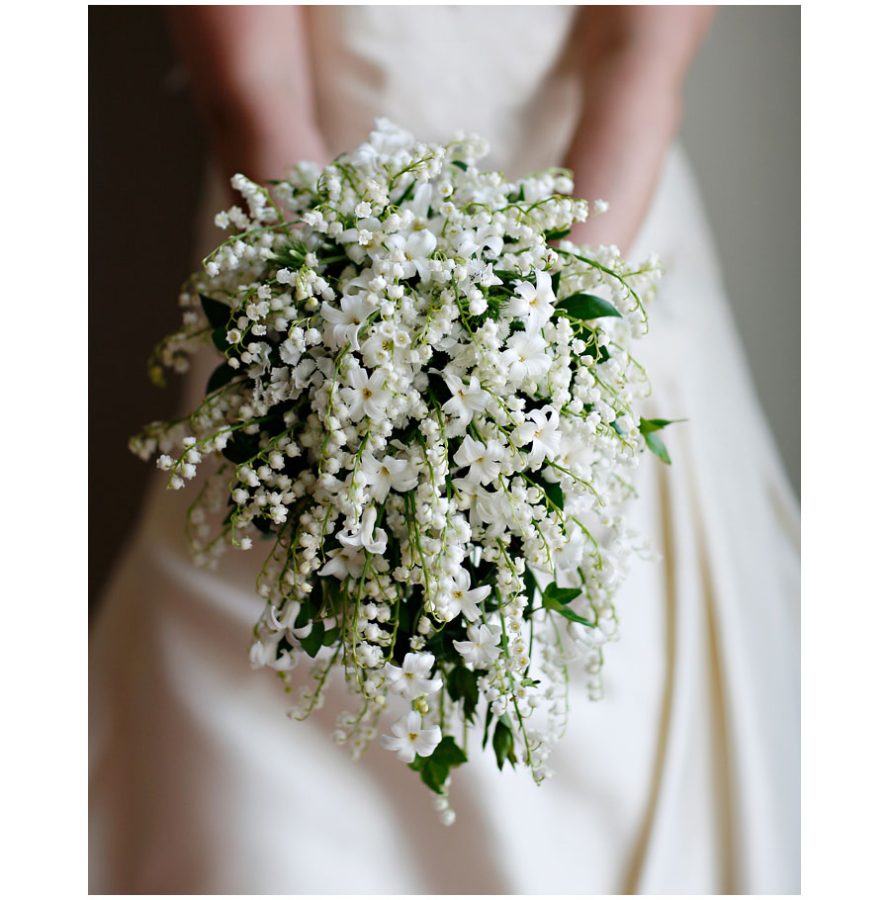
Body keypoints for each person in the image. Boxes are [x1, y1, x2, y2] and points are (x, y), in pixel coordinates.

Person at [90, 6, 800, 893]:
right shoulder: (319, 303)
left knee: (611, 720)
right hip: (314, 272)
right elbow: (254, 97)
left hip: (600, 223)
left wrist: (535, 342)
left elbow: (639, 63)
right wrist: (336, 350)